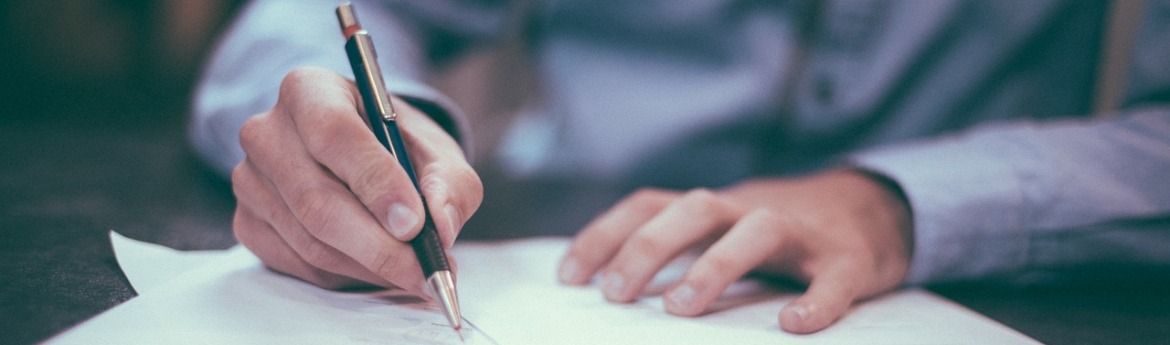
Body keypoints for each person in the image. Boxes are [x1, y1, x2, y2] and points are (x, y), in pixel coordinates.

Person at [190, 0, 1170, 334]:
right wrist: (343, 126)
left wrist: (898, 204)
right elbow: (321, 17)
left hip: (957, 273)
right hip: (565, 252)